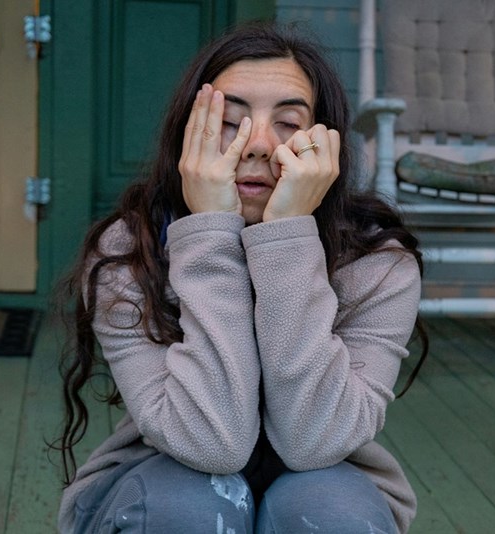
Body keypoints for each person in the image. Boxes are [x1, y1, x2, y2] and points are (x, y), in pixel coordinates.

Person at [53, 22, 427, 534]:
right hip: (161, 478)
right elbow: (213, 444)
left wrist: (287, 235)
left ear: (326, 145)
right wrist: (209, 231)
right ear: (189, 138)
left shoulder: (377, 263)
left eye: (288, 123)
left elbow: (313, 444)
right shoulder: (127, 252)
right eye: (228, 121)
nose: (257, 145)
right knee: (189, 507)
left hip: (327, 473)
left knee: (330, 513)